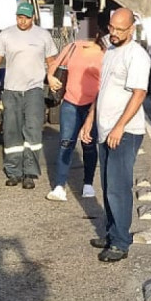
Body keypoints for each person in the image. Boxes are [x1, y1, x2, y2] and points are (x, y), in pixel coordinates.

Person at [81, 8, 150, 263]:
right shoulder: (110, 50)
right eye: (111, 27)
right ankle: (112, 232)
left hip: (125, 131)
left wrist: (120, 126)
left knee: (118, 188)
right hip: (105, 129)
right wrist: (90, 118)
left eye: (120, 29)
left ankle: (120, 242)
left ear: (131, 29)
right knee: (108, 185)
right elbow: (104, 89)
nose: (114, 33)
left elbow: (139, 94)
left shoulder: (137, 55)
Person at [0, 1, 58, 190]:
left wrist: (52, 80)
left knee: (33, 131)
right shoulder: (6, 34)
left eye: (26, 18)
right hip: (11, 91)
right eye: (20, 17)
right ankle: (13, 172)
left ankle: (29, 173)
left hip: (34, 91)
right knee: (11, 132)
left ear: (33, 18)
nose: (23, 21)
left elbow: (52, 61)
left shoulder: (43, 35)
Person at [44, 28, 106, 202]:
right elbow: (54, 65)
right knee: (66, 143)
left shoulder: (104, 53)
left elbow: (106, 82)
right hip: (70, 103)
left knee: (89, 144)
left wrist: (95, 110)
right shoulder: (71, 47)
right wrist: (50, 77)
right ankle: (59, 186)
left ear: (97, 33)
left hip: (92, 105)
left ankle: (88, 184)